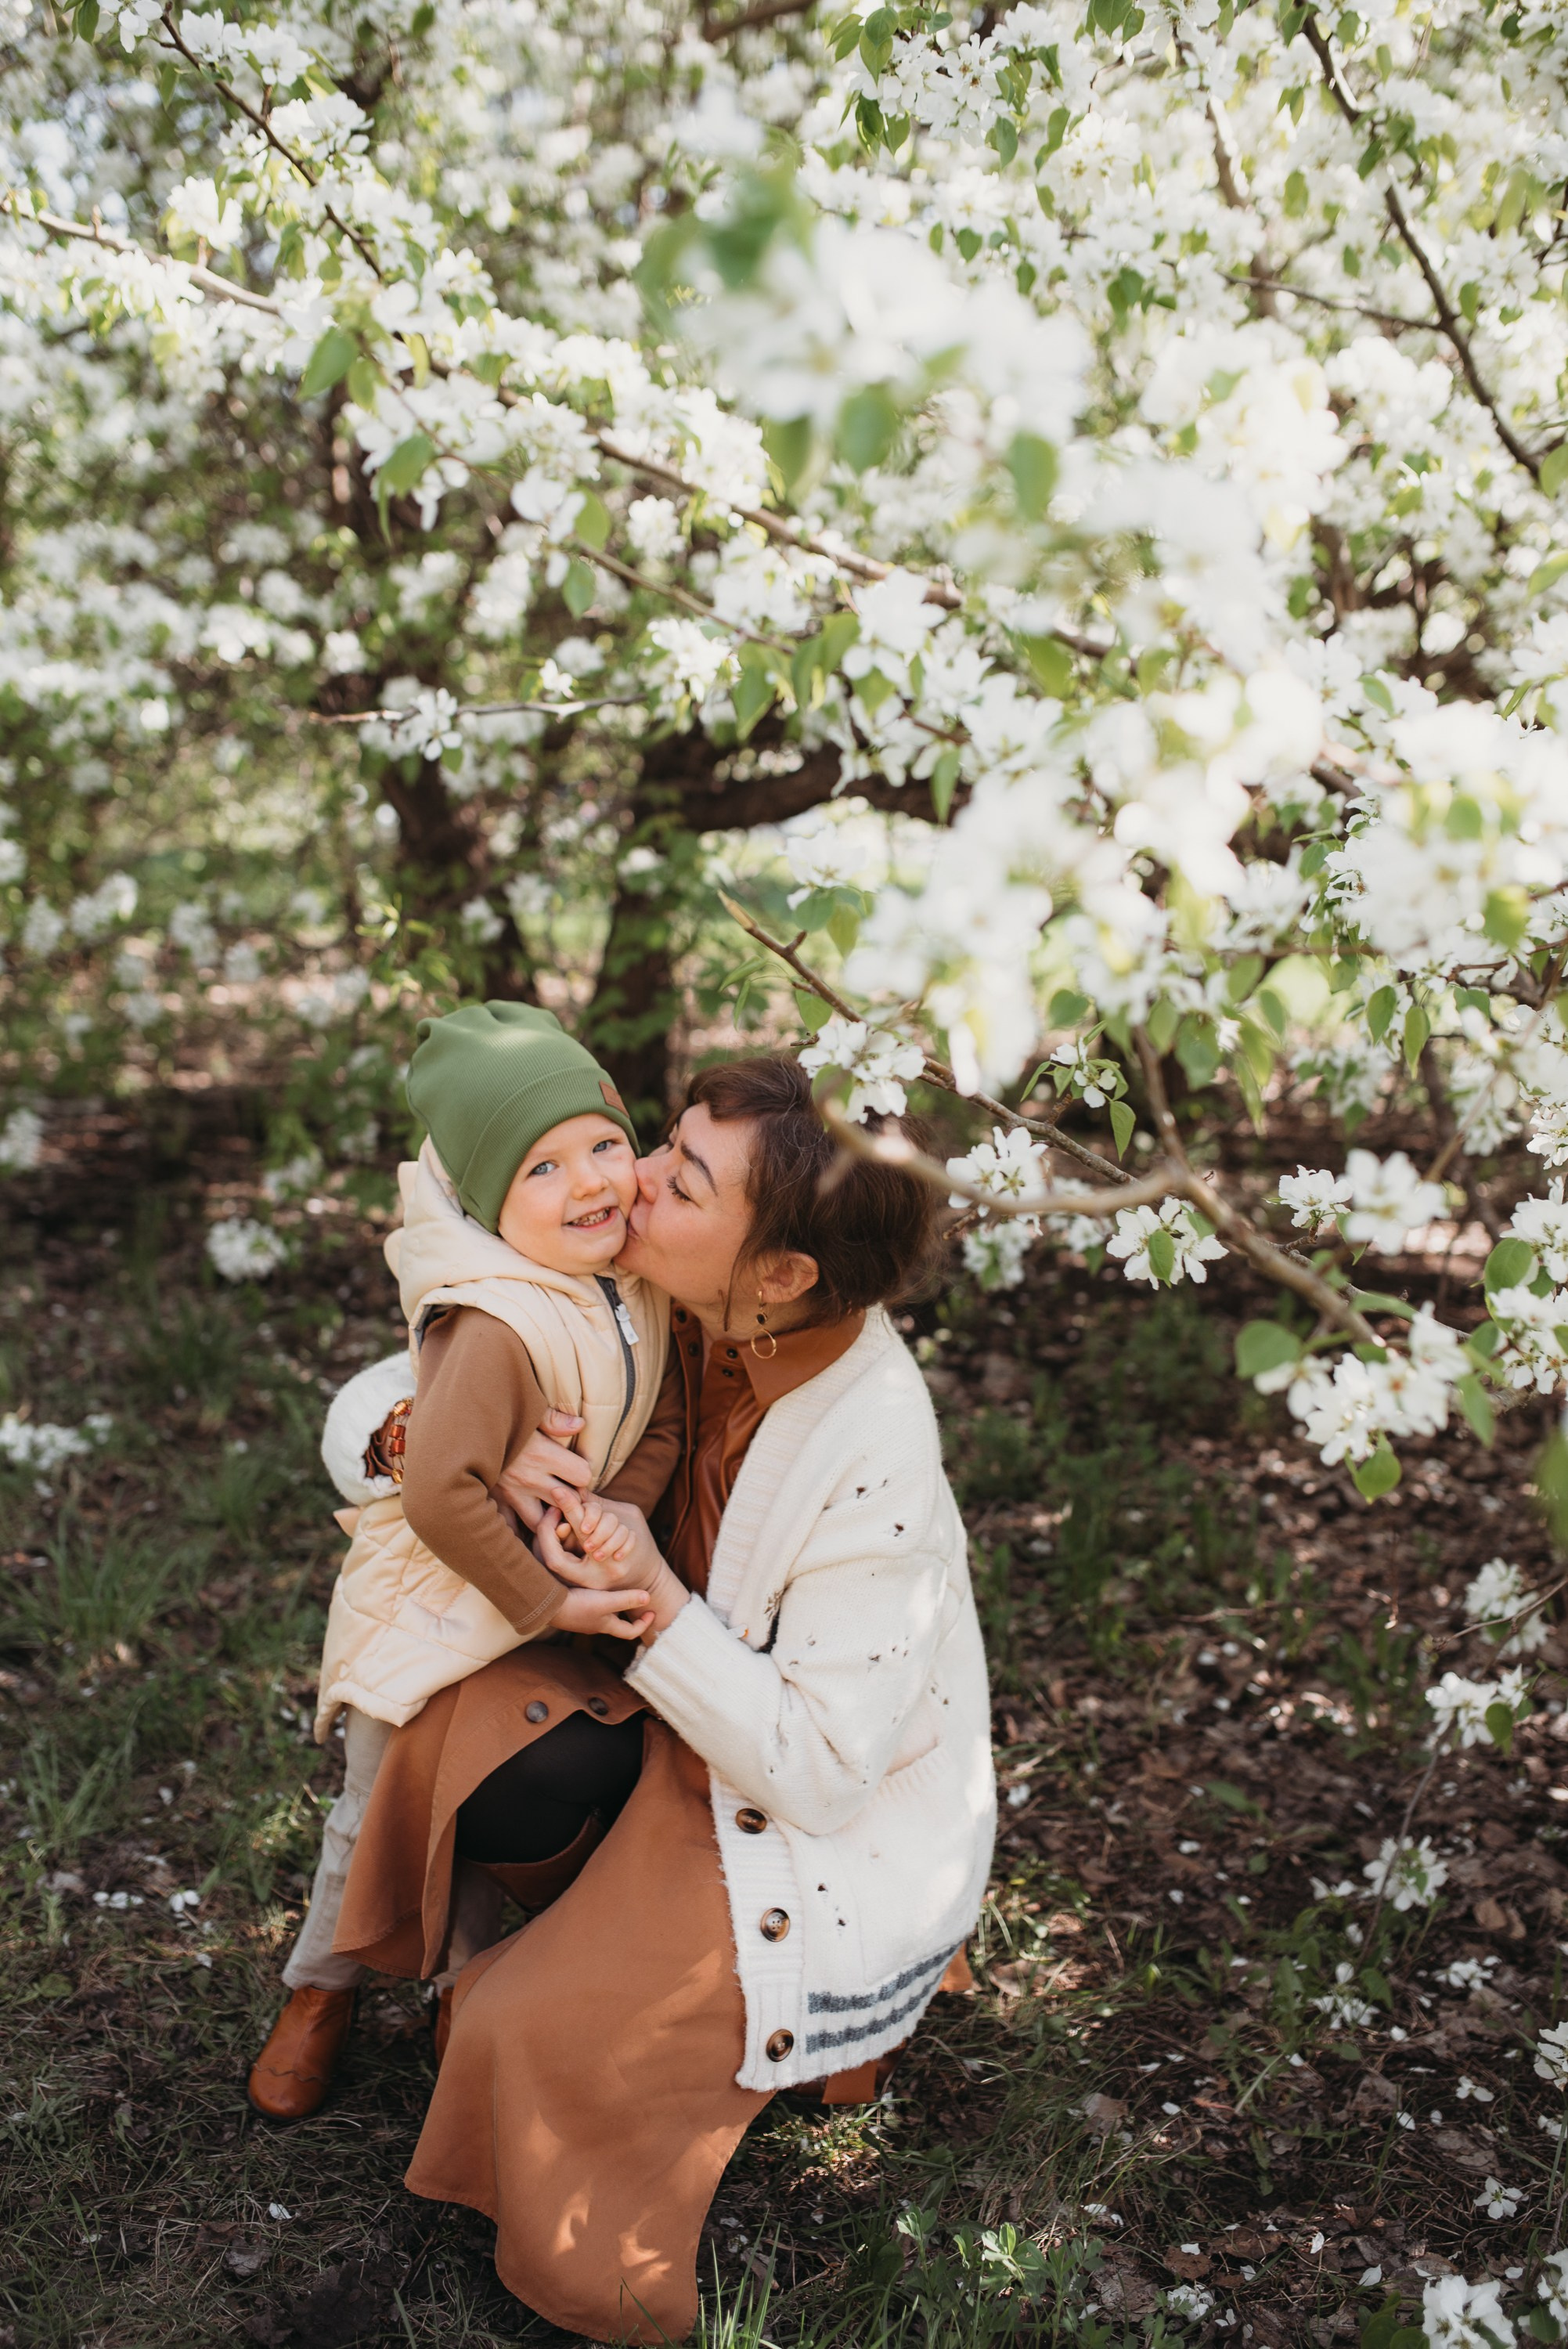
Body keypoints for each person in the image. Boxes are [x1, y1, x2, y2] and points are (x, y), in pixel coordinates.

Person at [332, 1053, 997, 2344]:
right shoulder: (660, 1286)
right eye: (668, 1142)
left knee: (532, 2033)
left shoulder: (877, 1450)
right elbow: (381, 1393)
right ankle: (562, 1913)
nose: (630, 1178)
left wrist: (659, 1604)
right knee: (459, 1732)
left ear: (782, 1274)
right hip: (662, 1713)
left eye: (682, 1175)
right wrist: (445, 1438)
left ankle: (616, 2185)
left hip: (794, 1804)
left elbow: (817, 1770)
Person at [247, 1001, 683, 2121]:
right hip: (444, 1593)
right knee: (378, 1802)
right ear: (491, 1206)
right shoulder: (489, 1324)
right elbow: (442, 1491)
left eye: (602, 1143)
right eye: (542, 1168)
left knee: (482, 1796)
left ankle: (460, 1990)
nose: (590, 1181)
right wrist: (550, 1602)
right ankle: (319, 1994)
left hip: (546, 1577)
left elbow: (667, 1424)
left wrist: (612, 1518)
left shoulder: (636, 1285)